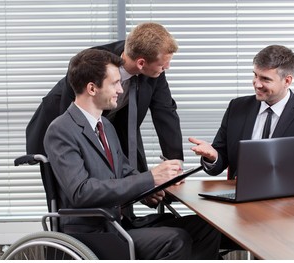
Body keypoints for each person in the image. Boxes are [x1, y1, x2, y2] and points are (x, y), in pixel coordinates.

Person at [43, 48, 221, 260]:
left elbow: (125, 171)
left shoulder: (106, 126)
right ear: (92, 88)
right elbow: (82, 192)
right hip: (93, 233)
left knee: (206, 228)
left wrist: (150, 189)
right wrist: (150, 177)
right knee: (175, 239)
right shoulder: (61, 130)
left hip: (118, 224)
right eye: (115, 83)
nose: (121, 89)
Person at [26, 22, 183, 173]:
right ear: (141, 63)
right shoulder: (90, 64)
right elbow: (73, 124)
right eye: (163, 66)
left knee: (132, 182)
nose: (166, 68)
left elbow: (165, 111)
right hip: (64, 122)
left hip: (114, 128)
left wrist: (175, 164)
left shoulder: (153, 66)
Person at [189, 45, 294, 183]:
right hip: (238, 198)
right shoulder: (237, 107)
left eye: (265, 79)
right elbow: (219, 162)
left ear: (287, 81)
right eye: (255, 75)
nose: (257, 84)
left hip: (285, 200)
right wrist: (213, 156)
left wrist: (269, 173)